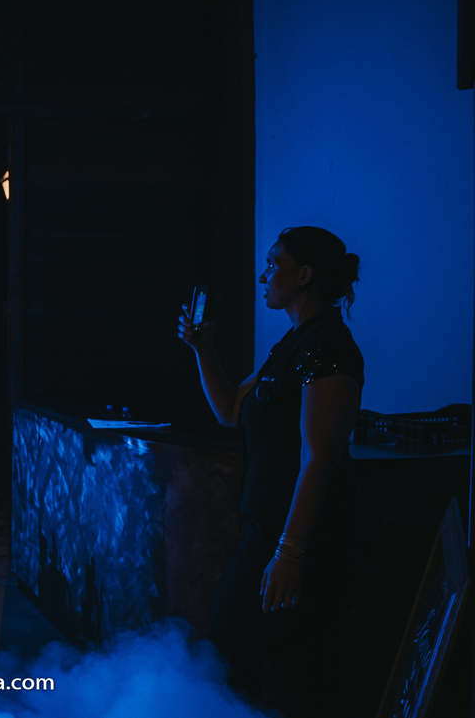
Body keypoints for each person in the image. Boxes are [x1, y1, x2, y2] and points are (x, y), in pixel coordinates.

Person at [178, 226, 363, 716]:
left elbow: (318, 460)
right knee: (243, 667)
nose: (264, 274)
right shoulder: (292, 345)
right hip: (264, 533)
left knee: (228, 662)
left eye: (274, 264)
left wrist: (290, 553)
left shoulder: (329, 348)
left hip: (292, 541)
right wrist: (204, 350)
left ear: (304, 275)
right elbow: (230, 411)